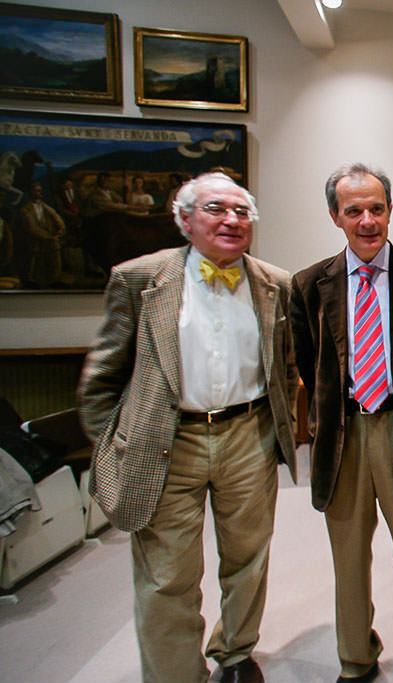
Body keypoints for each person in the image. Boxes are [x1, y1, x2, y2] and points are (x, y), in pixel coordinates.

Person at [78, 171, 298, 683]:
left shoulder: (277, 284)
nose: (231, 221)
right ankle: (175, 673)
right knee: (167, 573)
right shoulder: (138, 279)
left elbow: (285, 368)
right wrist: (114, 444)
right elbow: (102, 375)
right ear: (184, 220)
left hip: (250, 434)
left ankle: (238, 653)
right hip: (165, 440)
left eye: (242, 212)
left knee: (248, 557)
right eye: (216, 209)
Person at [290, 164, 393, 683]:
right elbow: (306, 360)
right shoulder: (307, 286)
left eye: (376, 208)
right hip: (344, 438)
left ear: (390, 209)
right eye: (354, 210)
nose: (367, 220)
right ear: (335, 216)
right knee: (348, 557)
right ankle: (355, 659)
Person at [16, 180, 65, 287]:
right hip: (33, 240)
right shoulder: (25, 209)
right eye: (35, 191)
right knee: (33, 261)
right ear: (30, 192)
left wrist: (60, 230)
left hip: (50, 240)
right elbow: (31, 228)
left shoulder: (46, 208)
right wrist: (50, 237)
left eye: (39, 191)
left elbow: (58, 220)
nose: (38, 193)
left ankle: (53, 279)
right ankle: (31, 280)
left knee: (54, 255)